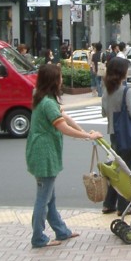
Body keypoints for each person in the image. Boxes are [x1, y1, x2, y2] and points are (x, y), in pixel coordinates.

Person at [25, 64, 101, 248]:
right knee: (44, 197)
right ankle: (38, 237)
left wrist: (84, 132)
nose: (62, 81)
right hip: (44, 154)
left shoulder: (43, 97)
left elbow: (65, 117)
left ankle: (61, 231)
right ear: (53, 81)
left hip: (41, 152)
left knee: (50, 196)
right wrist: (87, 136)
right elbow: (63, 127)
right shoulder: (48, 103)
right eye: (59, 78)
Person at [101, 57, 131, 215]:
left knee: (116, 169)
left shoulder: (106, 90)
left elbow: (104, 113)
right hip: (127, 135)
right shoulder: (126, 90)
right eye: (126, 68)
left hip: (113, 133)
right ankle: (124, 206)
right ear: (121, 72)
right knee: (126, 170)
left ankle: (108, 203)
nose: (128, 71)